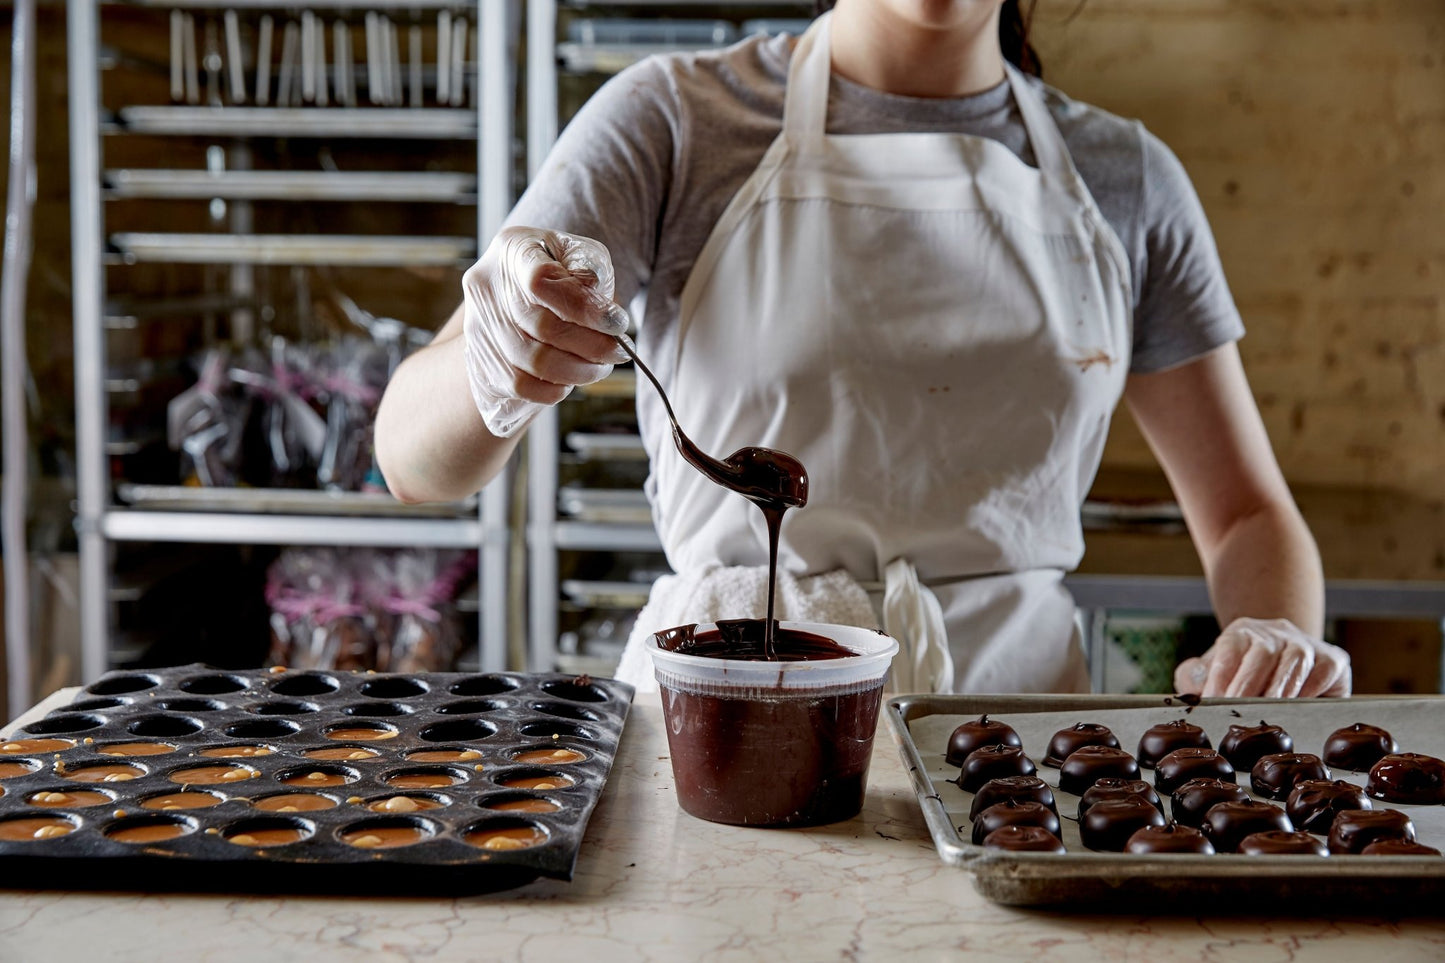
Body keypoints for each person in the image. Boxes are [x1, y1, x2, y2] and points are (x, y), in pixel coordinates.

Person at [375, 0, 1351, 698]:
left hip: (1011, 748)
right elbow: (413, 461)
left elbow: (1244, 515)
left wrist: (1271, 635)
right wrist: (496, 359)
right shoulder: (672, 120)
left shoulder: (1126, 179)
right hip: (728, 721)